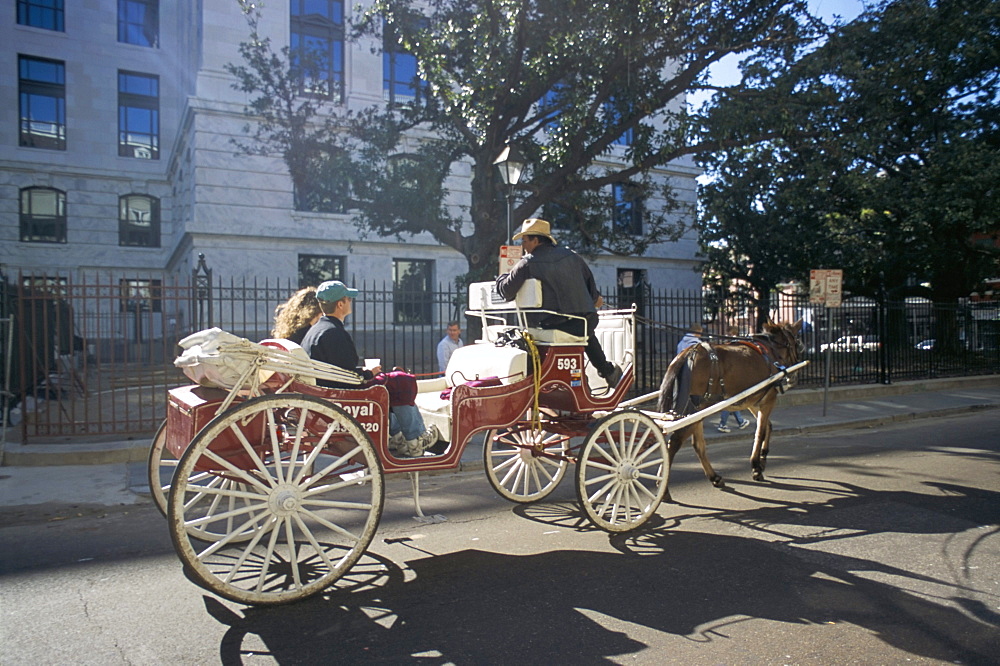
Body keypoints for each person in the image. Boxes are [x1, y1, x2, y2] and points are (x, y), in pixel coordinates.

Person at [300, 280, 438, 457]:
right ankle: (415, 438)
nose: (351, 302)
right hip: (341, 393)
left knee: (390, 383)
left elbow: (338, 367)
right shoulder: (333, 333)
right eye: (348, 299)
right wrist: (368, 373)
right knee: (401, 380)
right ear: (340, 304)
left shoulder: (316, 330)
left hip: (327, 388)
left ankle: (397, 437)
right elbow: (347, 374)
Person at [495, 218, 622, 387]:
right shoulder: (573, 256)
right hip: (584, 322)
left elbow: (506, 291)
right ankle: (605, 372)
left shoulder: (528, 262)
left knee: (577, 330)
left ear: (536, 240)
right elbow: (592, 294)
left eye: (524, 240)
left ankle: (595, 376)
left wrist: (502, 277)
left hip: (552, 324)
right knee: (585, 331)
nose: (522, 246)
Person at [717, 325, 750, 433]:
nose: (728, 334)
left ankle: (740, 421)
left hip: (726, 373)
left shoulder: (726, 343)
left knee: (732, 400)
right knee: (730, 401)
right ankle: (723, 424)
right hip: (734, 375)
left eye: (729, 332)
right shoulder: (737, 343)